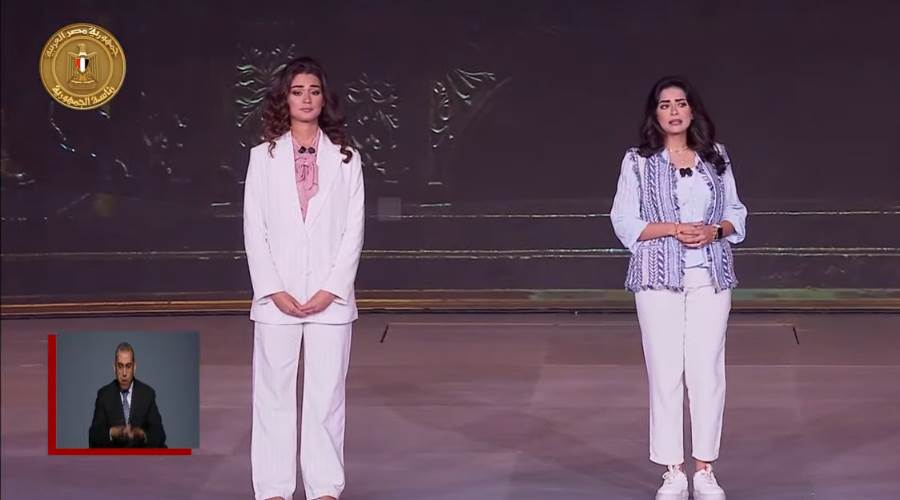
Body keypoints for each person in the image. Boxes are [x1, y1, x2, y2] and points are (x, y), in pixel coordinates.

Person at [610, 76, 747, 500]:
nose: (673, 111)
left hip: (710, 275)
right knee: (666, 370)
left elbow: (736, 213)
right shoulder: (638, 161)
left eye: (681, 103)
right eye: (665, 104)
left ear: (692, 110)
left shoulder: (716, 156)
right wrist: (673, 228)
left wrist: (714, 231)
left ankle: (705, 468)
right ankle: (673, 470)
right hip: (658, 277)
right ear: (655, 114)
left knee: (707, 370)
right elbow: (624, 221)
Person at [243, 56, 365, 500]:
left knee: (326, 397)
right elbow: (254, 228)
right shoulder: (263, 158)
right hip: (276, 298)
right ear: (285, 99)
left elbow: (353, 230)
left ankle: (324, 487)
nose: (306, 99)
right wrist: (273, 289)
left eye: (314, 91)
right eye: (298, 92)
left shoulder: (347, 159)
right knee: (274, 395)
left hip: (330, 299)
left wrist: (331, 288)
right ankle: (273, 488)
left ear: (324, 98)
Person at [88, 342, 167, 448]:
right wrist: (112, 432)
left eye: (128, 366)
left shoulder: (147, 394)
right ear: (114, 368)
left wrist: (142, 434)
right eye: (120, 366)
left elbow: (160, 435)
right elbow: (93, 437)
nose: (124, 373)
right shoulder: (104, 395)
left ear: (134, 368)